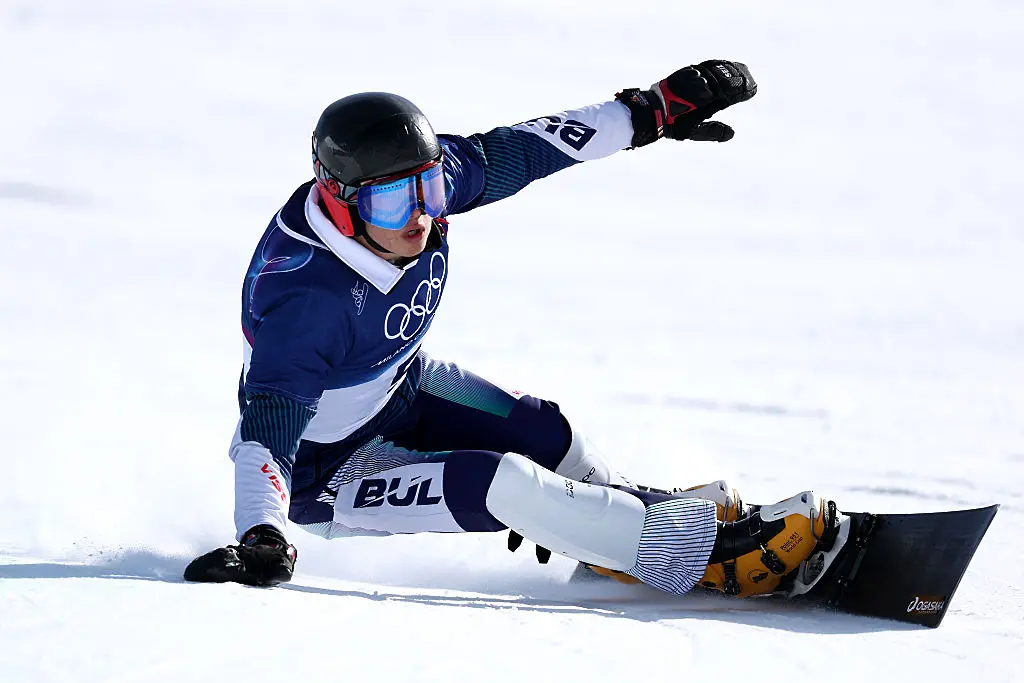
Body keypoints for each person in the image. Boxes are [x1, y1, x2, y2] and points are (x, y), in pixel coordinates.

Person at [184, 60, 841, 599]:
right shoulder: (309, 298)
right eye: (394, 201)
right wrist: (261, 536)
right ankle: (698, 557)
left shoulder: (417, 189)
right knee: (504, 483)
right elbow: (267, 434)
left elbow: (527, 148)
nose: (421, 218)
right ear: (341, 199)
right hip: (330, 470)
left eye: (430, 191)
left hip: (402, 390)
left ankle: (627, 528)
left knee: (551, 435)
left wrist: (649, 112)